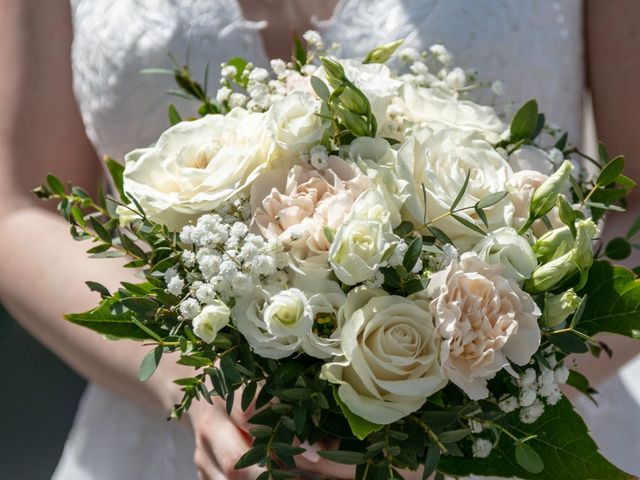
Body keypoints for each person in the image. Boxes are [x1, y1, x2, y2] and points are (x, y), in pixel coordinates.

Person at [0, 1, 638, 479]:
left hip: (499, 436)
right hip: (173, 444)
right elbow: (18, 212)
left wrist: (461, 411)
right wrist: (184, 374)